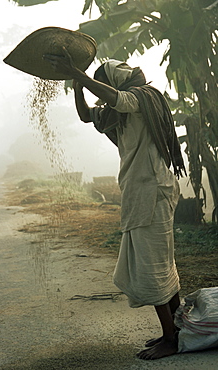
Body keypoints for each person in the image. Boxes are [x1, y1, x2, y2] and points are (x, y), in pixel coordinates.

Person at [44, 48, 186, 360]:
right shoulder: (118, 112)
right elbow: (85, 115)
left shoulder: (143, 97)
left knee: (152, 266)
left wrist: (78, 73)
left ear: (116, 82)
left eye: (103, 86)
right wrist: (77, 82)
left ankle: (171, 339)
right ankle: (178, 330)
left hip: (153, 192)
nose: (102, 99)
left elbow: (119, 99)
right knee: (160, 263)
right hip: (141, 193)